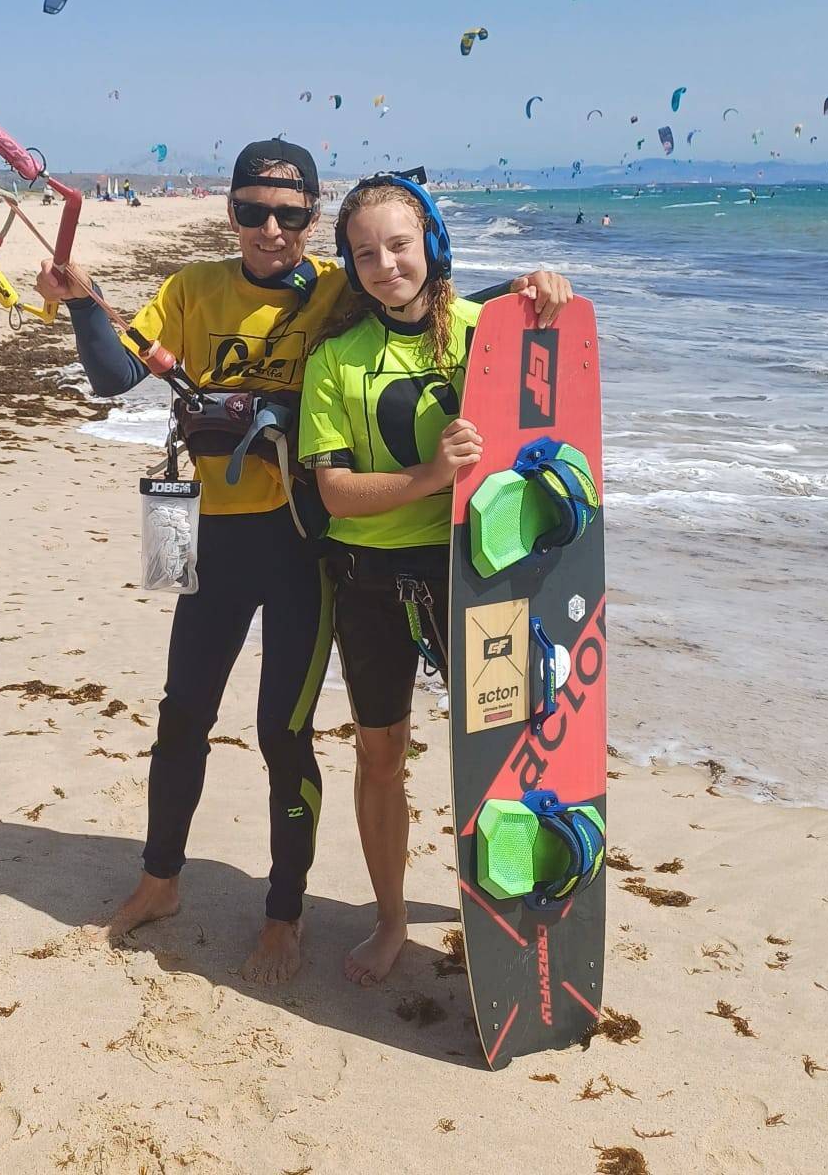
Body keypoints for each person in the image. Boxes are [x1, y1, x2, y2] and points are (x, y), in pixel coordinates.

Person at [35, 140, 567, 985]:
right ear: (232, 213)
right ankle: (158, 881)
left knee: (283, 733)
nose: (270, 229)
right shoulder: (192, 290)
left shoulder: (334, 291)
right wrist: (84, 304)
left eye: (288, 214)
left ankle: (284, 915)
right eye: (251, 210)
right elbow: (110, 377)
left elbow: (423, 293)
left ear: (311, 217)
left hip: (299, 549)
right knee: (182, 715)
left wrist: (528, 289)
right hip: (213, 539)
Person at [298, 171, 571, 986]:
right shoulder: (336, 360)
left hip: (477, 574)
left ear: (432, 245)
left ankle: (513, 900)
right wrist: (426, 477)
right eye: (365, 254)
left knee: (508, 748)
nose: (385, 265)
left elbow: (555, 398)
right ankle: (389, 920)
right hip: (372, 577)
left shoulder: (489, 330)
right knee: (381, 756)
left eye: (399, 246)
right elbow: (335, 491)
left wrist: (547, 291)